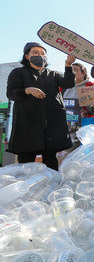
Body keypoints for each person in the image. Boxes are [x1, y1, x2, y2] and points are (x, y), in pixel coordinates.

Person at [6, 42, 76, 170]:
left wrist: (68, 66)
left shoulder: (53, 74)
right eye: (35, 53)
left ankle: (52, 187)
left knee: (51, 162)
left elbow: (69, 83)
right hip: (27, 125)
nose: (40, 55)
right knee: (26, 163)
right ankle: (25, 188)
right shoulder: (18, 73)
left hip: (50, 126)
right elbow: (11, 93)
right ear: (27, 56)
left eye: (43, 53)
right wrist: (27, 90)